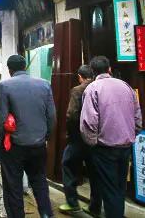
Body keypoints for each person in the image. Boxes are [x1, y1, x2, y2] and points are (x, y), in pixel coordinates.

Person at [80, 56, 142, 218]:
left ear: (93, 72)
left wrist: (92, 143)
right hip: (125, 146)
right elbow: (137, 116)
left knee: (109, 189)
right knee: (120, 188)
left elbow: (89, 122)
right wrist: (132, 133)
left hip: (105, 147)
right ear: (109, 69)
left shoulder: (93, 89)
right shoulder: (125, 86)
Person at [0, 55, 56, 218]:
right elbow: (51, 115)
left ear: (9, 69)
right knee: (40, 181)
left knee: (13, 185)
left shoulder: (4, 86)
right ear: (25, 67)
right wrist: (46, 136)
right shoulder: (44, 84)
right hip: (38, 144)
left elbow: (1, 118)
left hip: (14, 145)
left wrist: (0, 142)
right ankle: (46, 214)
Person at [59, 65, 101, 216]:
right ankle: (95, 207)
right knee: (95, 171)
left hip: (79, 139)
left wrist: (72, 135)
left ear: (80, 76)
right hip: (97, 139)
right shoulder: (100, 88)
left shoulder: (78, 90)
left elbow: (72, 115)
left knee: (67, 164)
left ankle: (72, 202)